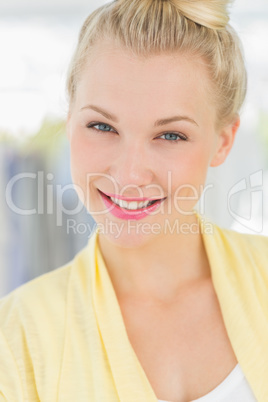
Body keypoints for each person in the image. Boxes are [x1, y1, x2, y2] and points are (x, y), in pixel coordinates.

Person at [0, 0, 267, 401]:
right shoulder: (17, 337)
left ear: (223, 141)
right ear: (70, 123)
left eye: (171, 135)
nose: (129, 176)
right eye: (102, 126)